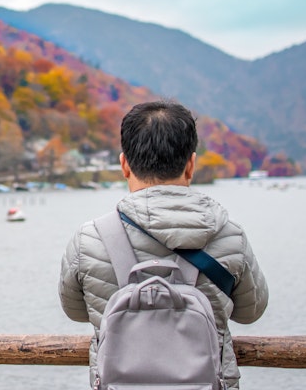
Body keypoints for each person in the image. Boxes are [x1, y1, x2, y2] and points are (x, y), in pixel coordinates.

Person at [59, 100, 268, 389]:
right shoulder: (230, 236)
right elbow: (251, 312)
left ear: (124, 165)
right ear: (191, 165)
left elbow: (75, 311)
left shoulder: (90, 239)